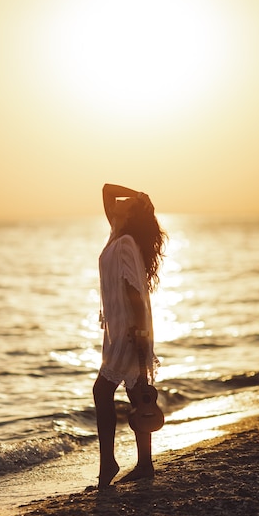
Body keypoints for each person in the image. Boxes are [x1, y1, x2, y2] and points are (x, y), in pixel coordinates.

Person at [93, 183, 167, 488]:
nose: (118, 203)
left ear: (129, 215)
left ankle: (108, 464)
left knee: (103, 391)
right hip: (119, 329)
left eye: (127, 203)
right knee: (136, 394)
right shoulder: (117, 232)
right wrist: (139, 195)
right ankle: (145, 465)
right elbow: (107, 189)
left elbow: (135, 290)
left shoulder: (124, 243)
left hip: (128, 329)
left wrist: (137, 332)